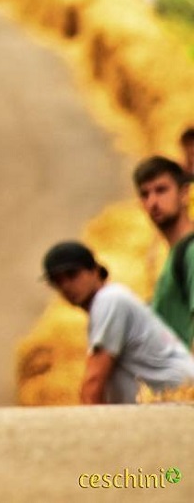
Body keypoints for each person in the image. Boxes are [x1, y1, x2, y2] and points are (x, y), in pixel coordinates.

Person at [42, 241, 194, 403]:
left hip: (181, 401)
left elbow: (93, 381)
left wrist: (88, 425)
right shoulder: (110, 300)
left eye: (72, 275)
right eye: (57, 281)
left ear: (95, 270)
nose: (66, 285)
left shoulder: (109, 299)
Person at [132, 155, 194, 347]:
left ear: (183, 193)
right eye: (145, 194)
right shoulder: (175, 256)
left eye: (161, 190)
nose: (153, 202)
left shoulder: (191, 252)